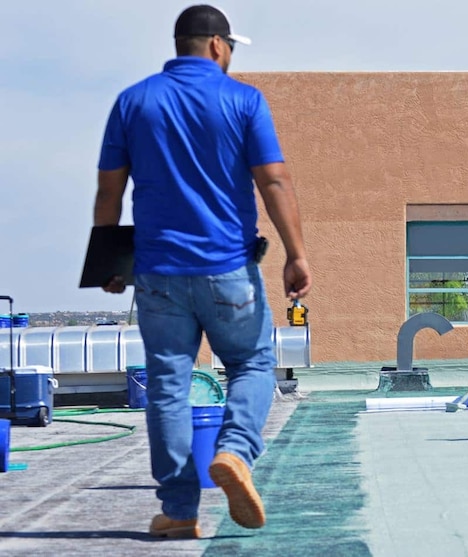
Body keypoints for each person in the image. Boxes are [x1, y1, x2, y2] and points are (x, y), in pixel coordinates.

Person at [93, 5, 311, 538]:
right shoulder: (242, 100)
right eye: (231, 47)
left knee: (168, 385)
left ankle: (179, 512)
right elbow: (274, 181)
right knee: (253, 365)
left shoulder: (133, 101)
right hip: (228, 269)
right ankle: (235, 452)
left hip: (158, 274)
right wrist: (296, 253)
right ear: (217, 45)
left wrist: (108, 262)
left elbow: (109, 191)